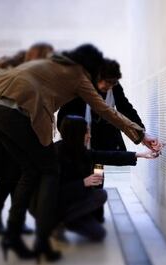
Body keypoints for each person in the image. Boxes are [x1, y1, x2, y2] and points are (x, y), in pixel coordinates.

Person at [0, 43, 161, 263]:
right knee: (49, 171)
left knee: (31, 171)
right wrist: (141, 137)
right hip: (24, 117)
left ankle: (13, 236)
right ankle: (44, 240)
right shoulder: (79, 77)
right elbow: (106, 111)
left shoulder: (48, 64)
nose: (103, 82)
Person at [0, 43, 54, 235]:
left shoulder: (20, 71)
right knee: (10, 174)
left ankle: (10, 219)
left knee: (16, 172)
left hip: (4, 126)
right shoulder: (1, 68)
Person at [57, 58, 145, 222]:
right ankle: (74, 212)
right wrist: (68, 134)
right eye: (107, 83)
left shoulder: (114, 88)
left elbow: (125, 108)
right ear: (98, 77)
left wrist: (142, 132)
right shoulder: (82, 85)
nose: (109, 87)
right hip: (78, 137)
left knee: (98, 172)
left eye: (113, 84)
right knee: (79, 174)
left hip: (100, 139)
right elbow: (65, 111)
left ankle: (95, 213)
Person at [49, 115, 158, 242]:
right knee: (97, 198)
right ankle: (55, 223)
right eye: (86, 132)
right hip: (55, 205)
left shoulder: (81, 151)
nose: (89, 136)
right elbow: (53, 191)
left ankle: (65, 222)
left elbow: (108, 156)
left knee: (98, 231)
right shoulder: (55, 154)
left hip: (73, 204)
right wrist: (83, 183)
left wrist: (141, 155)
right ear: (76, 134)